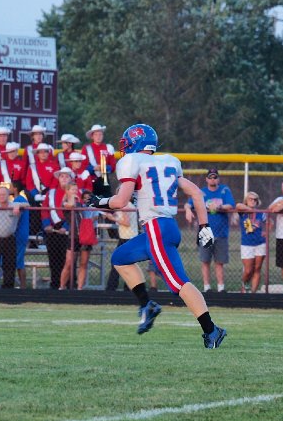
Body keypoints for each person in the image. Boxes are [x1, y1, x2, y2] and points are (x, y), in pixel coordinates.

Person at [87, 123, 226, 349]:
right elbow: (196, 192)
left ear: (135, 143)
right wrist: (204, 226)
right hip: (165, 227)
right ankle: (147, 305)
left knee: (179, 283)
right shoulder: (167, 162)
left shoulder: (132, 162)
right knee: (120, 258)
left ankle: (212, 330)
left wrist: (99, 202)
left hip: (156, 229)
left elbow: (120, 201)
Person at [184, 167, 235, 293]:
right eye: (210, 177)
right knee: (205, 261)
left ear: (218, 179)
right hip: (206, 230)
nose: (213, 179)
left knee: (219, 262)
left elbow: (230, 205)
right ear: (206, 179)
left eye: (215, 177)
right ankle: (207, 287)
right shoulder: (201, 192)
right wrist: (188, 210)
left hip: (221, 231)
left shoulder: (224, 190)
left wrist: (219, 206)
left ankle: (221, 287)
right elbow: (188, 203)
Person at [41, 167, 74, 289]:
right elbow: (45, 210)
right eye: (62, 176)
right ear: (58, 178)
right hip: (53, 229)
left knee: (68, 260)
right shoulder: (51, 193)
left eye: (66, 176)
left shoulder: (74, 192)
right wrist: (47, 224)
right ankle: (55, 284)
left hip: (69, 229)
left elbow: (75, 212)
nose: (64, 178)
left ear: (71, 178)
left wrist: (66, 227)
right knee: (53, 258)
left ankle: (70, 285)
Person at [235, 191, 267, 293]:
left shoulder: (261, 213)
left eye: (255, 199)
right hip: (247, 244)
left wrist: (266, 231)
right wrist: (250, 209)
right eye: (250, 199)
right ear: (246, 201)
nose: (253, 201)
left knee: (257, 268)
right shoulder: (243, 212)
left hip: (260, 243)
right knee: (248, 270)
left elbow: (269, 222)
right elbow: (238, 205)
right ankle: (244, 285)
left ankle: (253, 293)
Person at [10, 180, 30, 289]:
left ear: (15, 189)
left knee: (19, 260)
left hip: (19, 233)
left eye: (10, 186)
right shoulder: (20, 200)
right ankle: (22, 286)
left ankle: (23, 286)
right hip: (21, 233)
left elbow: (16, 218)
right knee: (18, 260)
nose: (9, 188)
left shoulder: (19, 200)